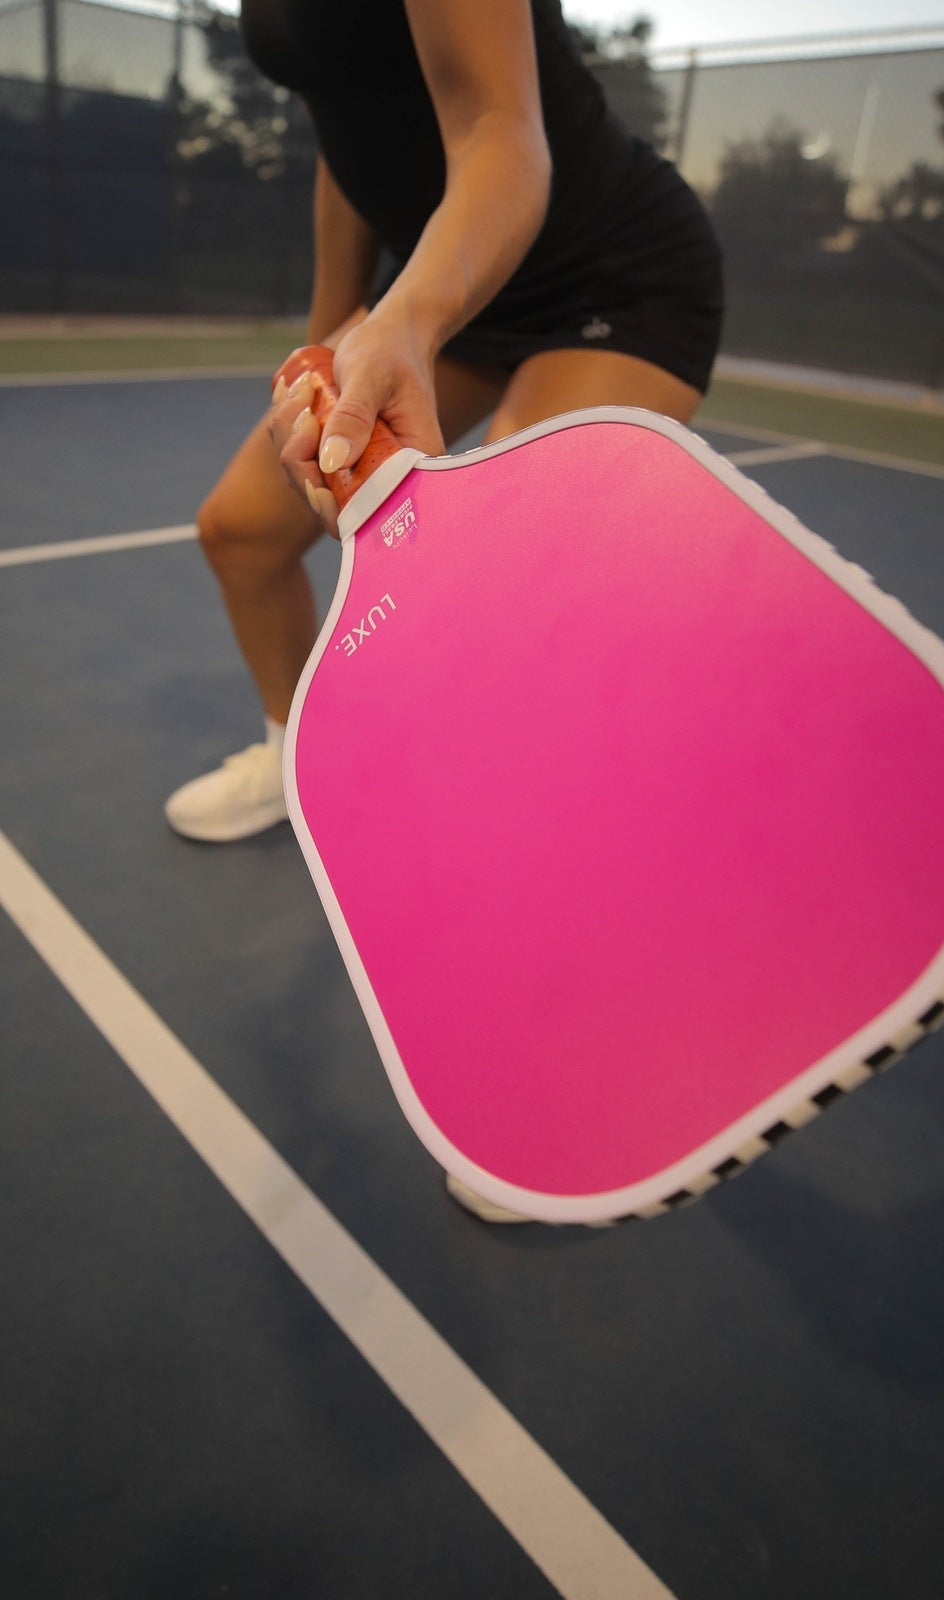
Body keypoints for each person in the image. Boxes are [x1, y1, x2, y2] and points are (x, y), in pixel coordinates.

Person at [164, 0, 723, 1218]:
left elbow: (496, 132)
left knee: (503, 627)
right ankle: (284, 752)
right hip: (452, 285)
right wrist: (331, 333)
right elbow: (345, 129)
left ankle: (570, 1053)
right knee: (243, 530)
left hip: (603, 277)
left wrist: (405, 319)